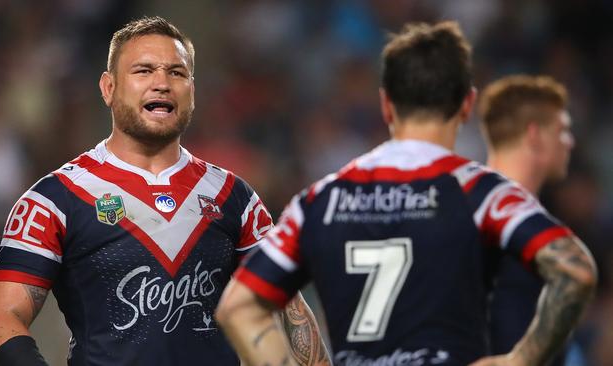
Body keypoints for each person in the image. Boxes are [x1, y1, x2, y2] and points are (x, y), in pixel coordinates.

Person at [215, 21, 597, 366]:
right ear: (467, 105)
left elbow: (238, 308)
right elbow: (574, 270)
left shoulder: (319, 200)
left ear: (386, 104)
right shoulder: (481, 193)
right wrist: (519, 361)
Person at [0, 16, 330, 366]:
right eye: (144, 71)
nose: (162, 83)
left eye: (176, 73)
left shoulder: (233, 196)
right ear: (108, 87)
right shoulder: (57, 198)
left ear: (191, 91)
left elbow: (290, 308)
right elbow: (1, 319)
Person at [479, 75, 575, 365]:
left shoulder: (467, 208)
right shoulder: (490, 221)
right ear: (534, 135)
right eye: (562, 130)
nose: (570, 142)